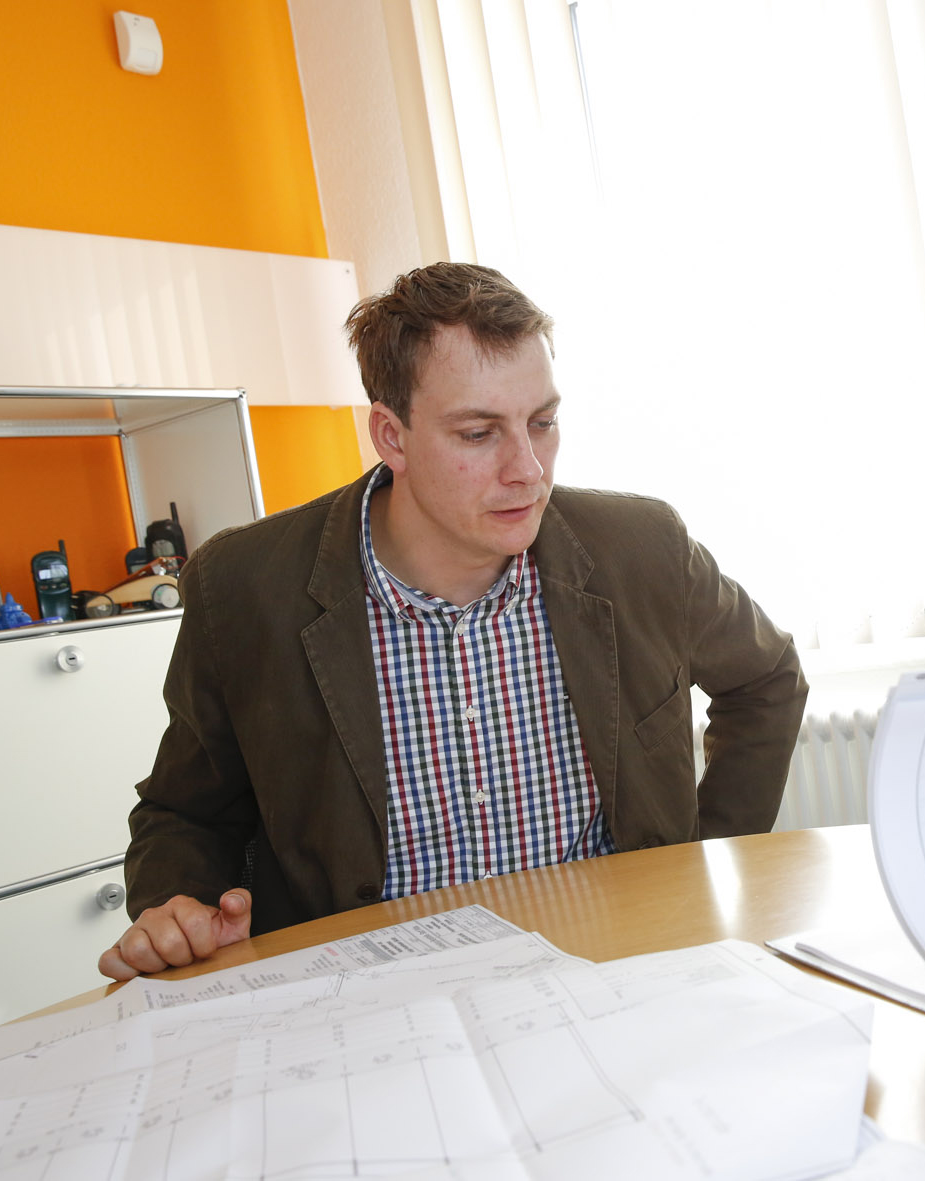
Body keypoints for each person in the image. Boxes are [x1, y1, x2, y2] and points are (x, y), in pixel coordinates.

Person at [100, 263, 807, 980]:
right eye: (478, 433)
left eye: (542, 422)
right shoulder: (244, 585)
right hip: (376, 1001)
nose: (528, 469)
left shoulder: (643, 548)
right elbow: (183, 814)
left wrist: (702, 862)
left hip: (615, 976)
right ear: (392, 436)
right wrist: (178, 908)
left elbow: (768, 681)